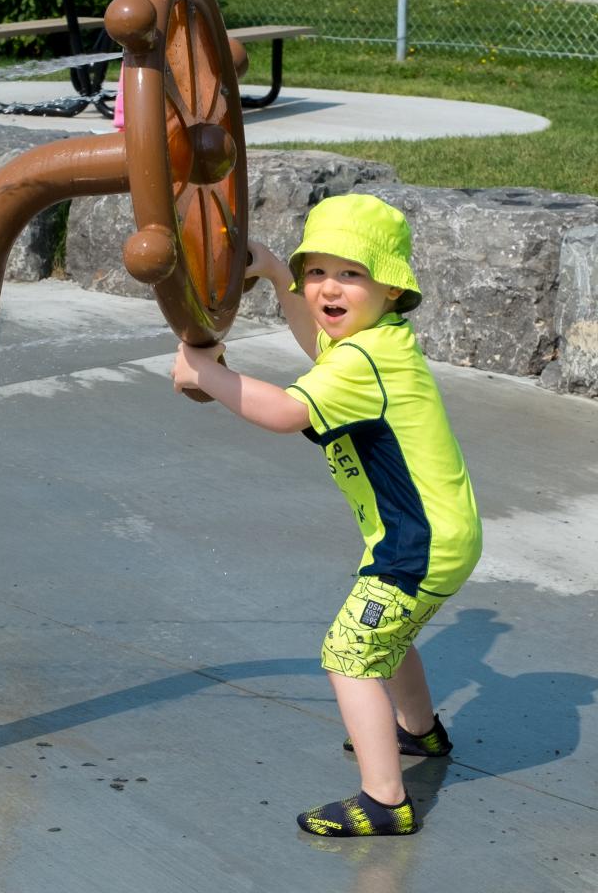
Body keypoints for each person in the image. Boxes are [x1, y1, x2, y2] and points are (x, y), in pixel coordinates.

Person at [170, 194, 482, 837]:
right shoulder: (376, 343)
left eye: (350, 274)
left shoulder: (365, 360)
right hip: (434, 533)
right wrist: (279, 276)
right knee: (388, 639)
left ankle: (384, 800)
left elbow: (286, 413)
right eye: (317, 273)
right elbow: (320, 345)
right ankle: (418, 733)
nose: (328, 289)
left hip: (416, 541)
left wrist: (206, 370)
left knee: (350, 654)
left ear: (394, 288)